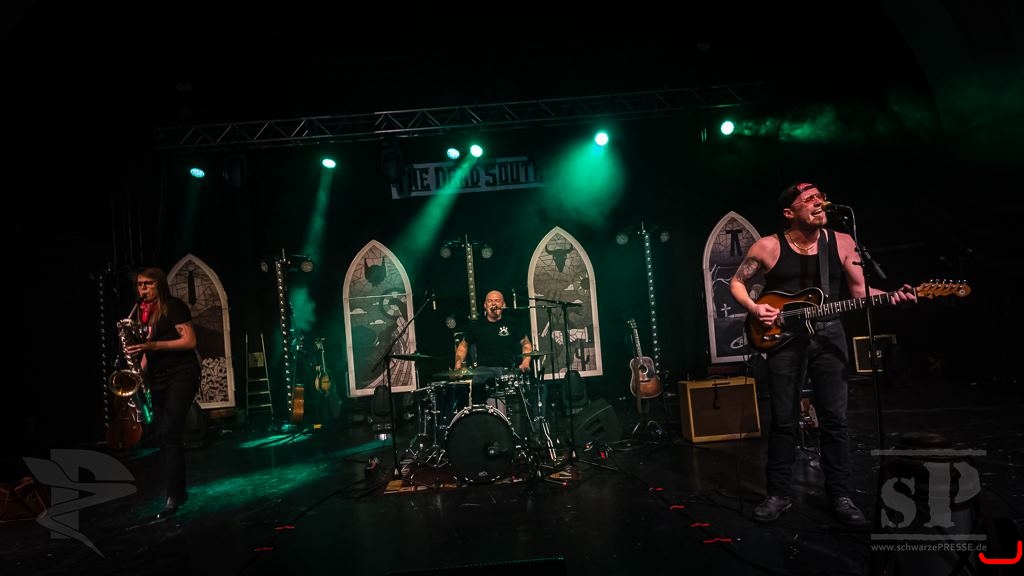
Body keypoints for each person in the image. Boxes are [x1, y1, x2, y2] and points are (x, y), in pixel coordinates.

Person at [729, 182, 917, 526]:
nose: (819, 202)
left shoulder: (842, 241)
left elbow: (859, 291)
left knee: (835, 419)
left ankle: (840, 495)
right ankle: (778, 493)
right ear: (789, 213)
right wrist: (755, 309)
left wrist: (892, 295)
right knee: (784, 418)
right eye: (809, 199)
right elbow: (737, 282)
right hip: (784, 338)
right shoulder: (769, 246)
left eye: (821, 196)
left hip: (829, 333)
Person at [124, 267, 201, 521]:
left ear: (160, 285)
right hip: (158, 378)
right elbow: (147, 351)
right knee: (165, 436)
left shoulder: (173, 306)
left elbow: (189, 341)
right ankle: (177, 492)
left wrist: (152, 345)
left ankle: (173, 496)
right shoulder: (142, 314)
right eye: (140, 284)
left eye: (148, 284)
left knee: (170, 432)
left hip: (182, 373)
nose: (143, 289)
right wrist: (136, 373)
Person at [453, 290, 534, 409]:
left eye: (497, 301)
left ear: (503, 304)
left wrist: (526, 362)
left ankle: (516, 415)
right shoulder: (477, 325)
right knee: (477, 380)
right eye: (490, 301)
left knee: (519, 386)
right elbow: (463, 345)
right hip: (484, 369)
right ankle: (479, 412)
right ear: (485, 305)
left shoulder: (512, 323)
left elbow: (526, 343)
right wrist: (458, 362)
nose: (493, 303)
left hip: (507, 368)